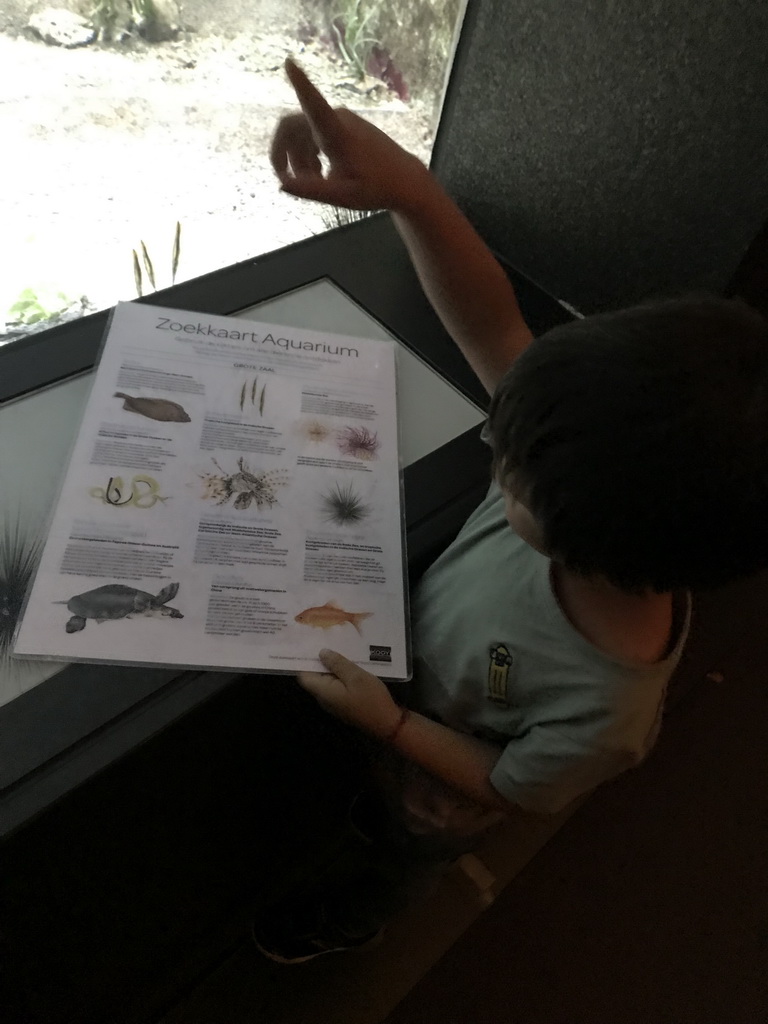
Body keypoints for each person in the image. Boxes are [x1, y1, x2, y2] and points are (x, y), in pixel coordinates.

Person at [253, 59, 768, 963]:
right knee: (372, 795)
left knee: (410, 847)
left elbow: (512, 786)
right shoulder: (593, 467)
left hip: (442, 782)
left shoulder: (607, 708)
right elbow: (497, 330)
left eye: (514, 480)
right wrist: (409, 190)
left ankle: (363, 911)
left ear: (591, 545)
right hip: (402, 694)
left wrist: (391, 726)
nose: (497, 455)